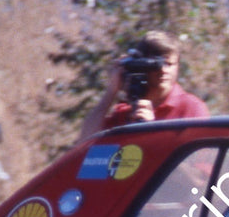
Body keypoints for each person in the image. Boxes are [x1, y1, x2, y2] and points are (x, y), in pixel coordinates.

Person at [79, 30, 209, 137]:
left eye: (169, 64)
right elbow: (84, 144)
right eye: (156, 64)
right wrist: (111, 92)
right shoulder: (126, 112)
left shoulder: (191, 108)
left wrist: (151, 131)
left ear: (177, 66)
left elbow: (198, 166)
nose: (163, 70)